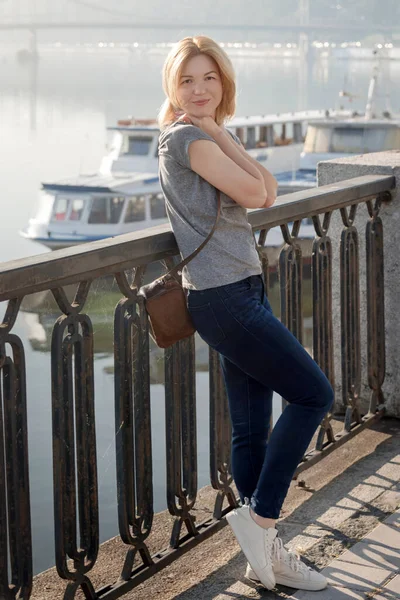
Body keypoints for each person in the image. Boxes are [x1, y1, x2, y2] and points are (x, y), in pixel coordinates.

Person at [157, 35, 333, 592]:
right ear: (172, 86)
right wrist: (212, 135)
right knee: (313, 395)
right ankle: (261, 523)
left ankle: (266, 558)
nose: (200, 88)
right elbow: (258, 198)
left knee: (252, 428)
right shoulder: (187, 139)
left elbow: (271, 188)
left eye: (210, 78)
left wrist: (220, 133)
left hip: (239, 292)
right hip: (224, 297)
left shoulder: (208, 134)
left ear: (224, 81)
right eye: (188, 80)